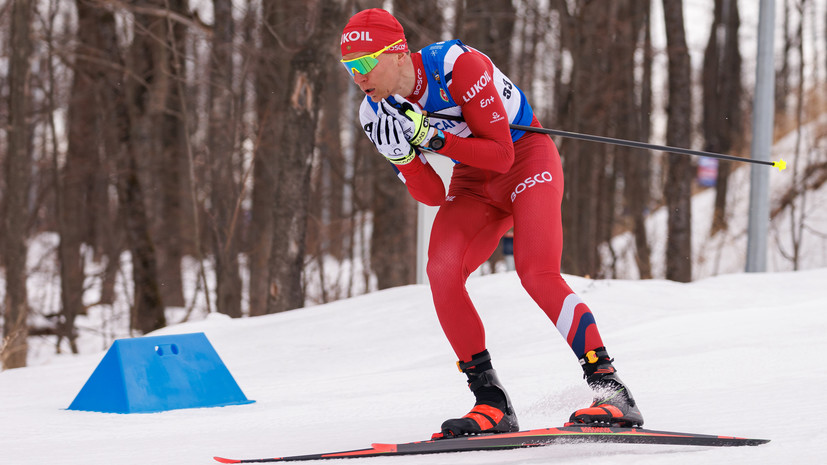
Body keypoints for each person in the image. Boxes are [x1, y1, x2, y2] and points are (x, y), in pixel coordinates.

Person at [339, 8, 643, 438]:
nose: (358, 76)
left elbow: (501, 155)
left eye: (365, 63)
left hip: (526, 159)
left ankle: (612, 390)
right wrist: (404, 158)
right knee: (442, 272)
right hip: (472, 181)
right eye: (349, 67)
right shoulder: (375, 114)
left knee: (536, 272)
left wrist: (432, 137)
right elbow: (433, 195)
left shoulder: (455, 66)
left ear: (399, 52)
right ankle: (491, 402)